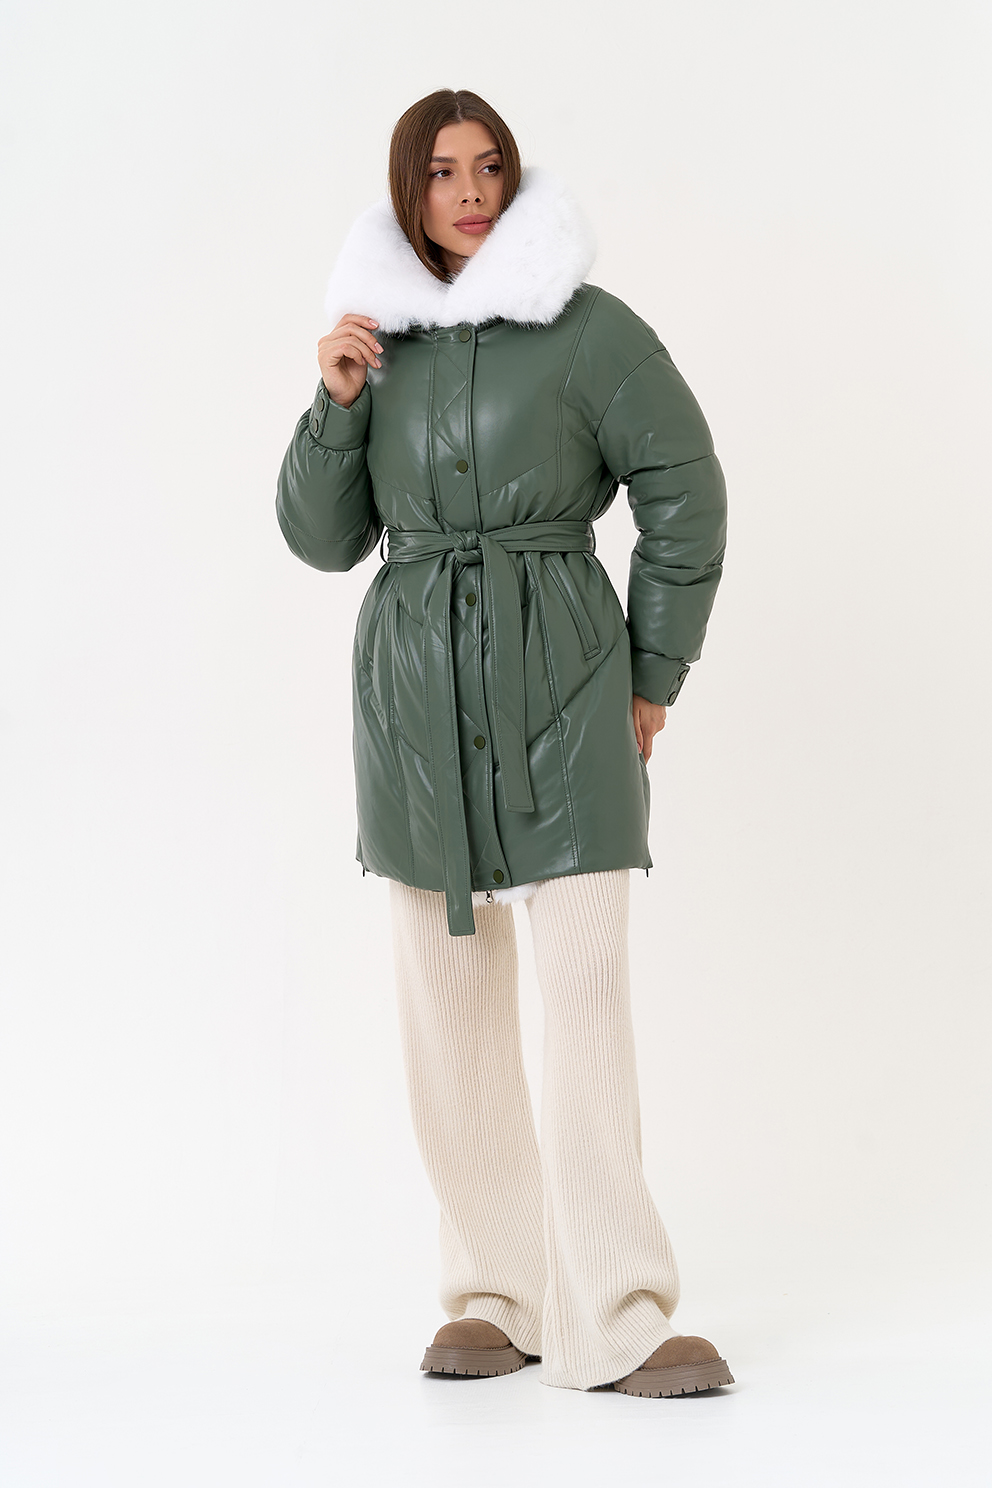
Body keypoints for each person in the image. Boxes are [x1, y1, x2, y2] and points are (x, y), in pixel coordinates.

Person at [275, 88, 731, 1397]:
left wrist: (653, 672)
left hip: (566, 694)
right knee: (448, 1011)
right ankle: (496, 1291)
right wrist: (336, 404)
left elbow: (685, 485)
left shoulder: (587, 330)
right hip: (415, 708)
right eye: (440, 171)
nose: (468, 191)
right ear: (407, 191)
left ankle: (620, 1315)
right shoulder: (374, 347)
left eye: (487, 167)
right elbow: (321, 539)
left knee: (584, 1002)